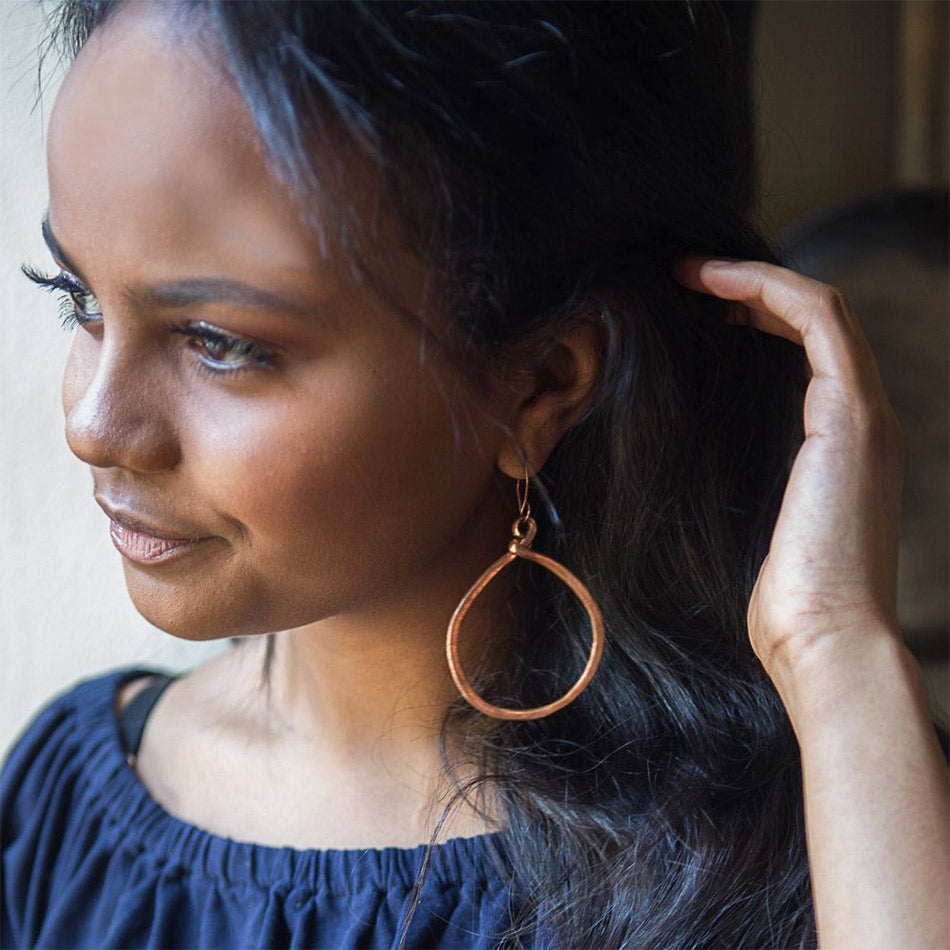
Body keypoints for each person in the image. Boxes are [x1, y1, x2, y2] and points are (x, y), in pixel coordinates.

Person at [2, 1, 947, 948]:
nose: (94, 424)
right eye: (76, 298)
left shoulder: (790, 855)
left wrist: (837, 652)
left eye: (218, 343)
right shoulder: (61, 814)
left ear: (539, 386)